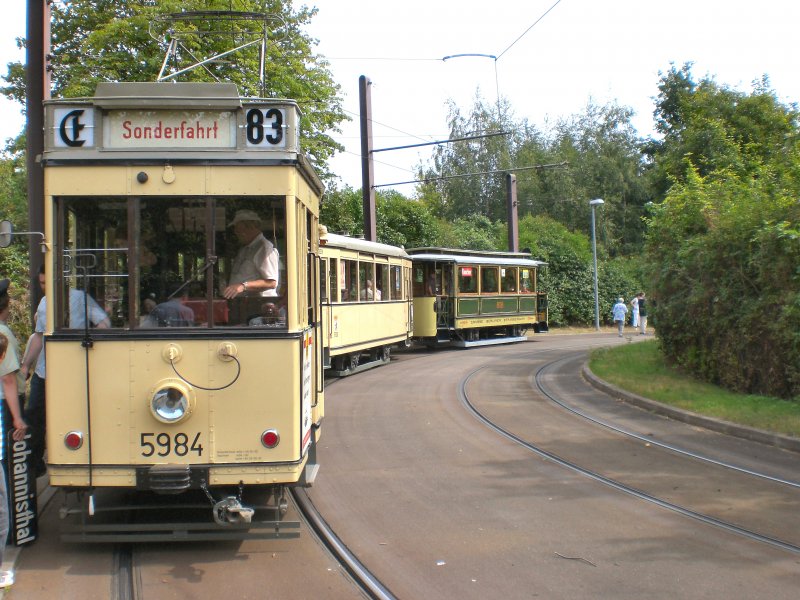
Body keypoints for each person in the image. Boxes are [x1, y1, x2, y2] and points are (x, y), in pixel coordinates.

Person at [20, 266, 109, 478]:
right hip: (45, 371)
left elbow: (104, 324)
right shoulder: (44, 303)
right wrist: (26, 365)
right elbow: (39, 336)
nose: (44, 288)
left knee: (53, 413)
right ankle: (35, 462)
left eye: (46, 283)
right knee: (35, 415)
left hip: (68, 371)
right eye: (41, 284)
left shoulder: (80, 298)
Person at [0, 280, 30, 590]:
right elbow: (8, 380)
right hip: (4, 411)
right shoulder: (2, 335)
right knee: (4, 489)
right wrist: (19, 418)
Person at [222, 210, 279, 299]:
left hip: (258, 305)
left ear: (251, 227)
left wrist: (242, 286)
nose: (236, 232)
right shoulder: (245, 249)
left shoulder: (264, 248)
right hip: (243, 304)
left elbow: (271, 282)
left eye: (239, 229)